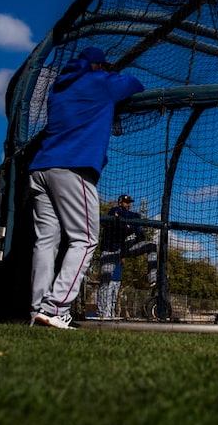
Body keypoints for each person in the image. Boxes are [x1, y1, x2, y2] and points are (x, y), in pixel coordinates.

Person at [28, 46, 144, 329]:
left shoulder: (58, 88)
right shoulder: (99, 82)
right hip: (72, 167)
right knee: (86, 239)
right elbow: (134, 83)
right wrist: (109, 72)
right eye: (103, 65)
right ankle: (56, 308)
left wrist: (101, 70)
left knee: (46, 242)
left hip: (40, 168)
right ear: (97, 66)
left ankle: (37, 311)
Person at [97, 194, 143, 319]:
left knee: (113, 290)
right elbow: (123, 214)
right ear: (120, 203)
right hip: (107, 251)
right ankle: (102, 313)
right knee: (105, 284)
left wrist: (137, 228)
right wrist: (134, 216)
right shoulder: (114, 211)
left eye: (129, 203)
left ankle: (109, 314)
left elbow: (138, 227)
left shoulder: (128, 220)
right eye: (126, 202)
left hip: (117, 252)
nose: (128, 205)